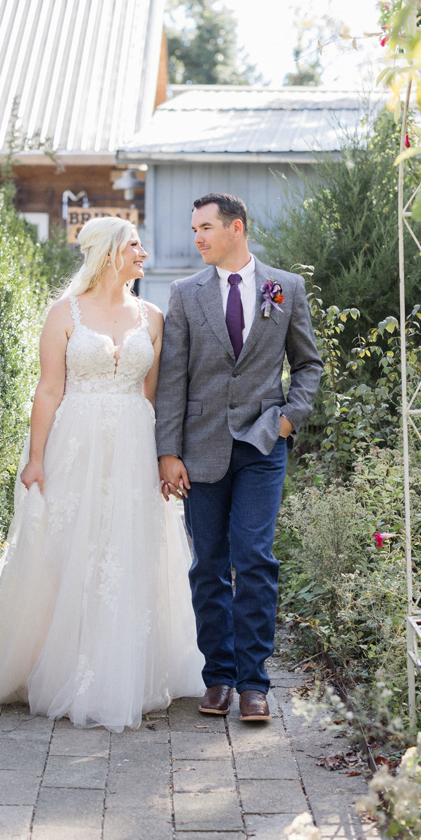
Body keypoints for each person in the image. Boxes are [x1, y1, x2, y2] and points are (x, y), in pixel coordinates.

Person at [0, 216, 203, 732]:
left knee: (126, 548)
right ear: (111, 253)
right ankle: (58, 663)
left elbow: (153, 396)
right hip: (76, 439)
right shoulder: (63, 313)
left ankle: (121, 671)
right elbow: (48, 390)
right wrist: (36, 457)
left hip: (133, 442)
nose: (143, 252)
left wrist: (162, 456)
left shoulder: (153, 317)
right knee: (70, 545)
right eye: (135, 244)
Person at [156, 193, 323, 722]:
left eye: (206, 227)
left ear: (236, 228)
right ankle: (218, 678)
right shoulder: (184, 295)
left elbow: (308, 366)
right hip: (201, 448)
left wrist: (287, 419)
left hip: (261, 444)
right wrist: (167, 451)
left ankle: (254, 683)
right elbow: (172, 379)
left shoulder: (285, 288)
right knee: (208, 565)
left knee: (254, 557)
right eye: (194, 229)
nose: (198, 237)